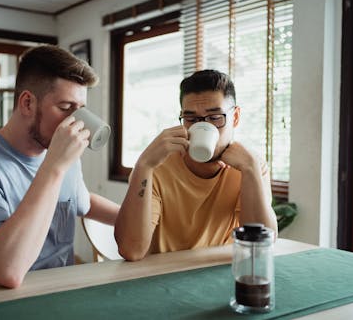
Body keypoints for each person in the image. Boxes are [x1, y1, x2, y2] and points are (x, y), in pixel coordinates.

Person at [0, 45, 119, 288]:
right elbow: (8, 272)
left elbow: (81, 201)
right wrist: (54, 167)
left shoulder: (65, 159)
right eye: (65, 108)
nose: (75, 122)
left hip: (45, 295)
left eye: (80, 111)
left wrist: (142, 217)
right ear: (27, 103)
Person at [114, 69, 278, 261]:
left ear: (234, 117)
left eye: (215, 118)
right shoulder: (156, 166)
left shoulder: (250, 165)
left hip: (219, 275)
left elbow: (260, 246)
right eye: (191, 119)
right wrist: (143, 165)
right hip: (163, 277)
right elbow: (131, 250)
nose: (202, 127)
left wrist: (250, 170)